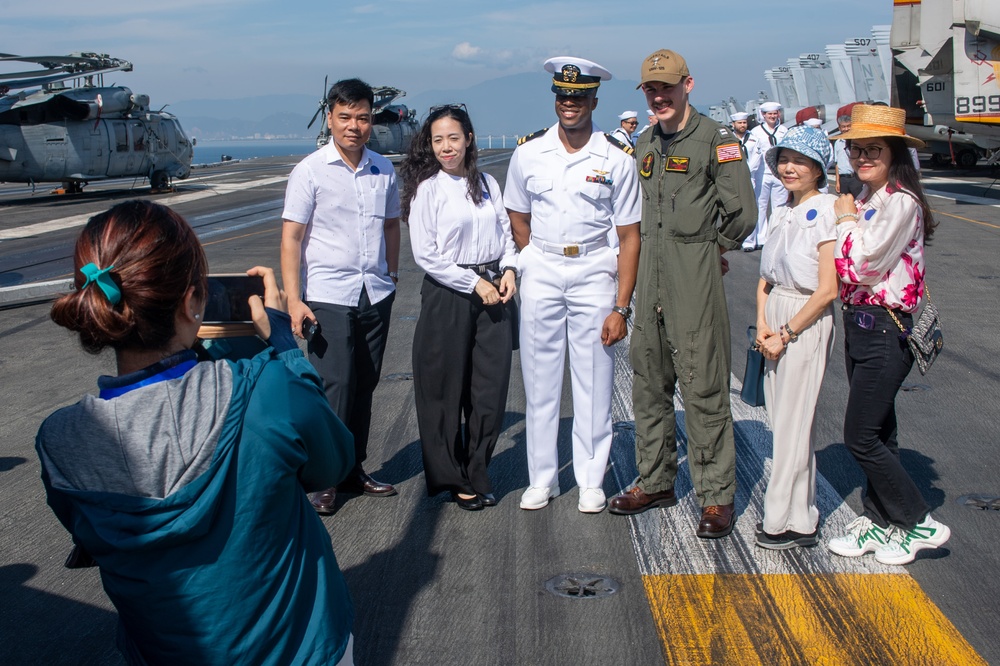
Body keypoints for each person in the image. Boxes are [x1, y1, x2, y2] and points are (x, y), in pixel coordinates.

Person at [36, 200, 356, 665]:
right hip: (299, 648)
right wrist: (283, 345)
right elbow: (333, 463)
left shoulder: (60, 441)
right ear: (191, 302)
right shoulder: (265, 390)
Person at [607, 49, 757, 538]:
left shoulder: (718, 140)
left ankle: (715, 496)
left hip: (693, 274)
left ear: (687, 85)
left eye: (666, 87)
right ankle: (655, 481)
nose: (658, 96)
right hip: (648, 271)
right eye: (650, 89)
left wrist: (715, 247)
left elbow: (743, 213)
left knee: (703, 385)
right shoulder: (645, 142)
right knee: (648, 382)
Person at [505, 56, 641, 514]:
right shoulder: (528, 153)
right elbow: (517, 216)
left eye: (579, 97)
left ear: (593, 100)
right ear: (556, 100)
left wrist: (621, 307)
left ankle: (590, 479)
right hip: (542, 268)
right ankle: (542, 478)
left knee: (593, 381)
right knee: (540, 381)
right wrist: (530, 259)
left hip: (593, 271)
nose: (570, 104)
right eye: (564, 96)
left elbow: (629, 235)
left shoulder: (615, 158)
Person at [827, 104, 950, 565]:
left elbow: (861, 266)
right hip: (860, 326)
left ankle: (918, 521)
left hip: (885, 328)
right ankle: (881, 522)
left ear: (894, 151)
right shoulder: (866, 199)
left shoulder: (900, 202)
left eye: (872, 149)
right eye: (856, 149)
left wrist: (843, 221)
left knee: (860, 436)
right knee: (882, 432)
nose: (861, 157)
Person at [281, 78, 401, 514]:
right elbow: (292, 237)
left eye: (363, 117)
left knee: (365, 384)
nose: (354, 126)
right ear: (330, 118)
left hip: (375, 292)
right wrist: (294, 299)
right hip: (328, 294)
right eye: (345, 116)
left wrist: (392, 272)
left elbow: (391, 224)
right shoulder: (310, 171)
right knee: (334, 385)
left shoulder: (383, 169)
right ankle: (323, 477)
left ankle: (352, 468)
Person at [400, 105, 518, 511]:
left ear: (468, 138)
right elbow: (427, 255)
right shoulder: (428, 190)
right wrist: (474, 283)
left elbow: (506, 233)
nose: (446, 147)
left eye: (453, 137)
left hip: (494, 290)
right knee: (443, 390)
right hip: (449, 294)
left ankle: (477, 469)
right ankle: (453, 476)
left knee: (489, 388)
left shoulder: (487, 182)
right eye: (437, 140)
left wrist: (509, 268)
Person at [752, 127, 839, 549]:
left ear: (818, 168)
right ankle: (801, 517)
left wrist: (785, 332)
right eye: (784, 159)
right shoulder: (782, 210)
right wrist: (763, 324)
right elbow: (765, 279)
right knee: (785, 420)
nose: (789, 167)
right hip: (777, 315)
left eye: (800, 161)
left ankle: (778, 518)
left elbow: (828, 289)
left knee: (792, 423)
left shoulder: (826, 210)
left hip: (806, 316)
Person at [744, 101, 789, 251]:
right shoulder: (756, 132)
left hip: (780, 173)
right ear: (763, 115)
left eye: (775, 113)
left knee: (779, 207)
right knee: (760, 206)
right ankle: (761, 238)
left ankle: (776, 237)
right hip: (762, 173)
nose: (772, 116)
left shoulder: (784, 130)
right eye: (769, 114)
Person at [833, 103, 863, 197]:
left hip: (855, 178)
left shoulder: (855, 142)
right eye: (843, 126)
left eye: (848, 126)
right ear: (839, 128)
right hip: (843, 179)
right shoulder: (838, 143)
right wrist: (837, 182)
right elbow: (837, 164)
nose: (846, 129)